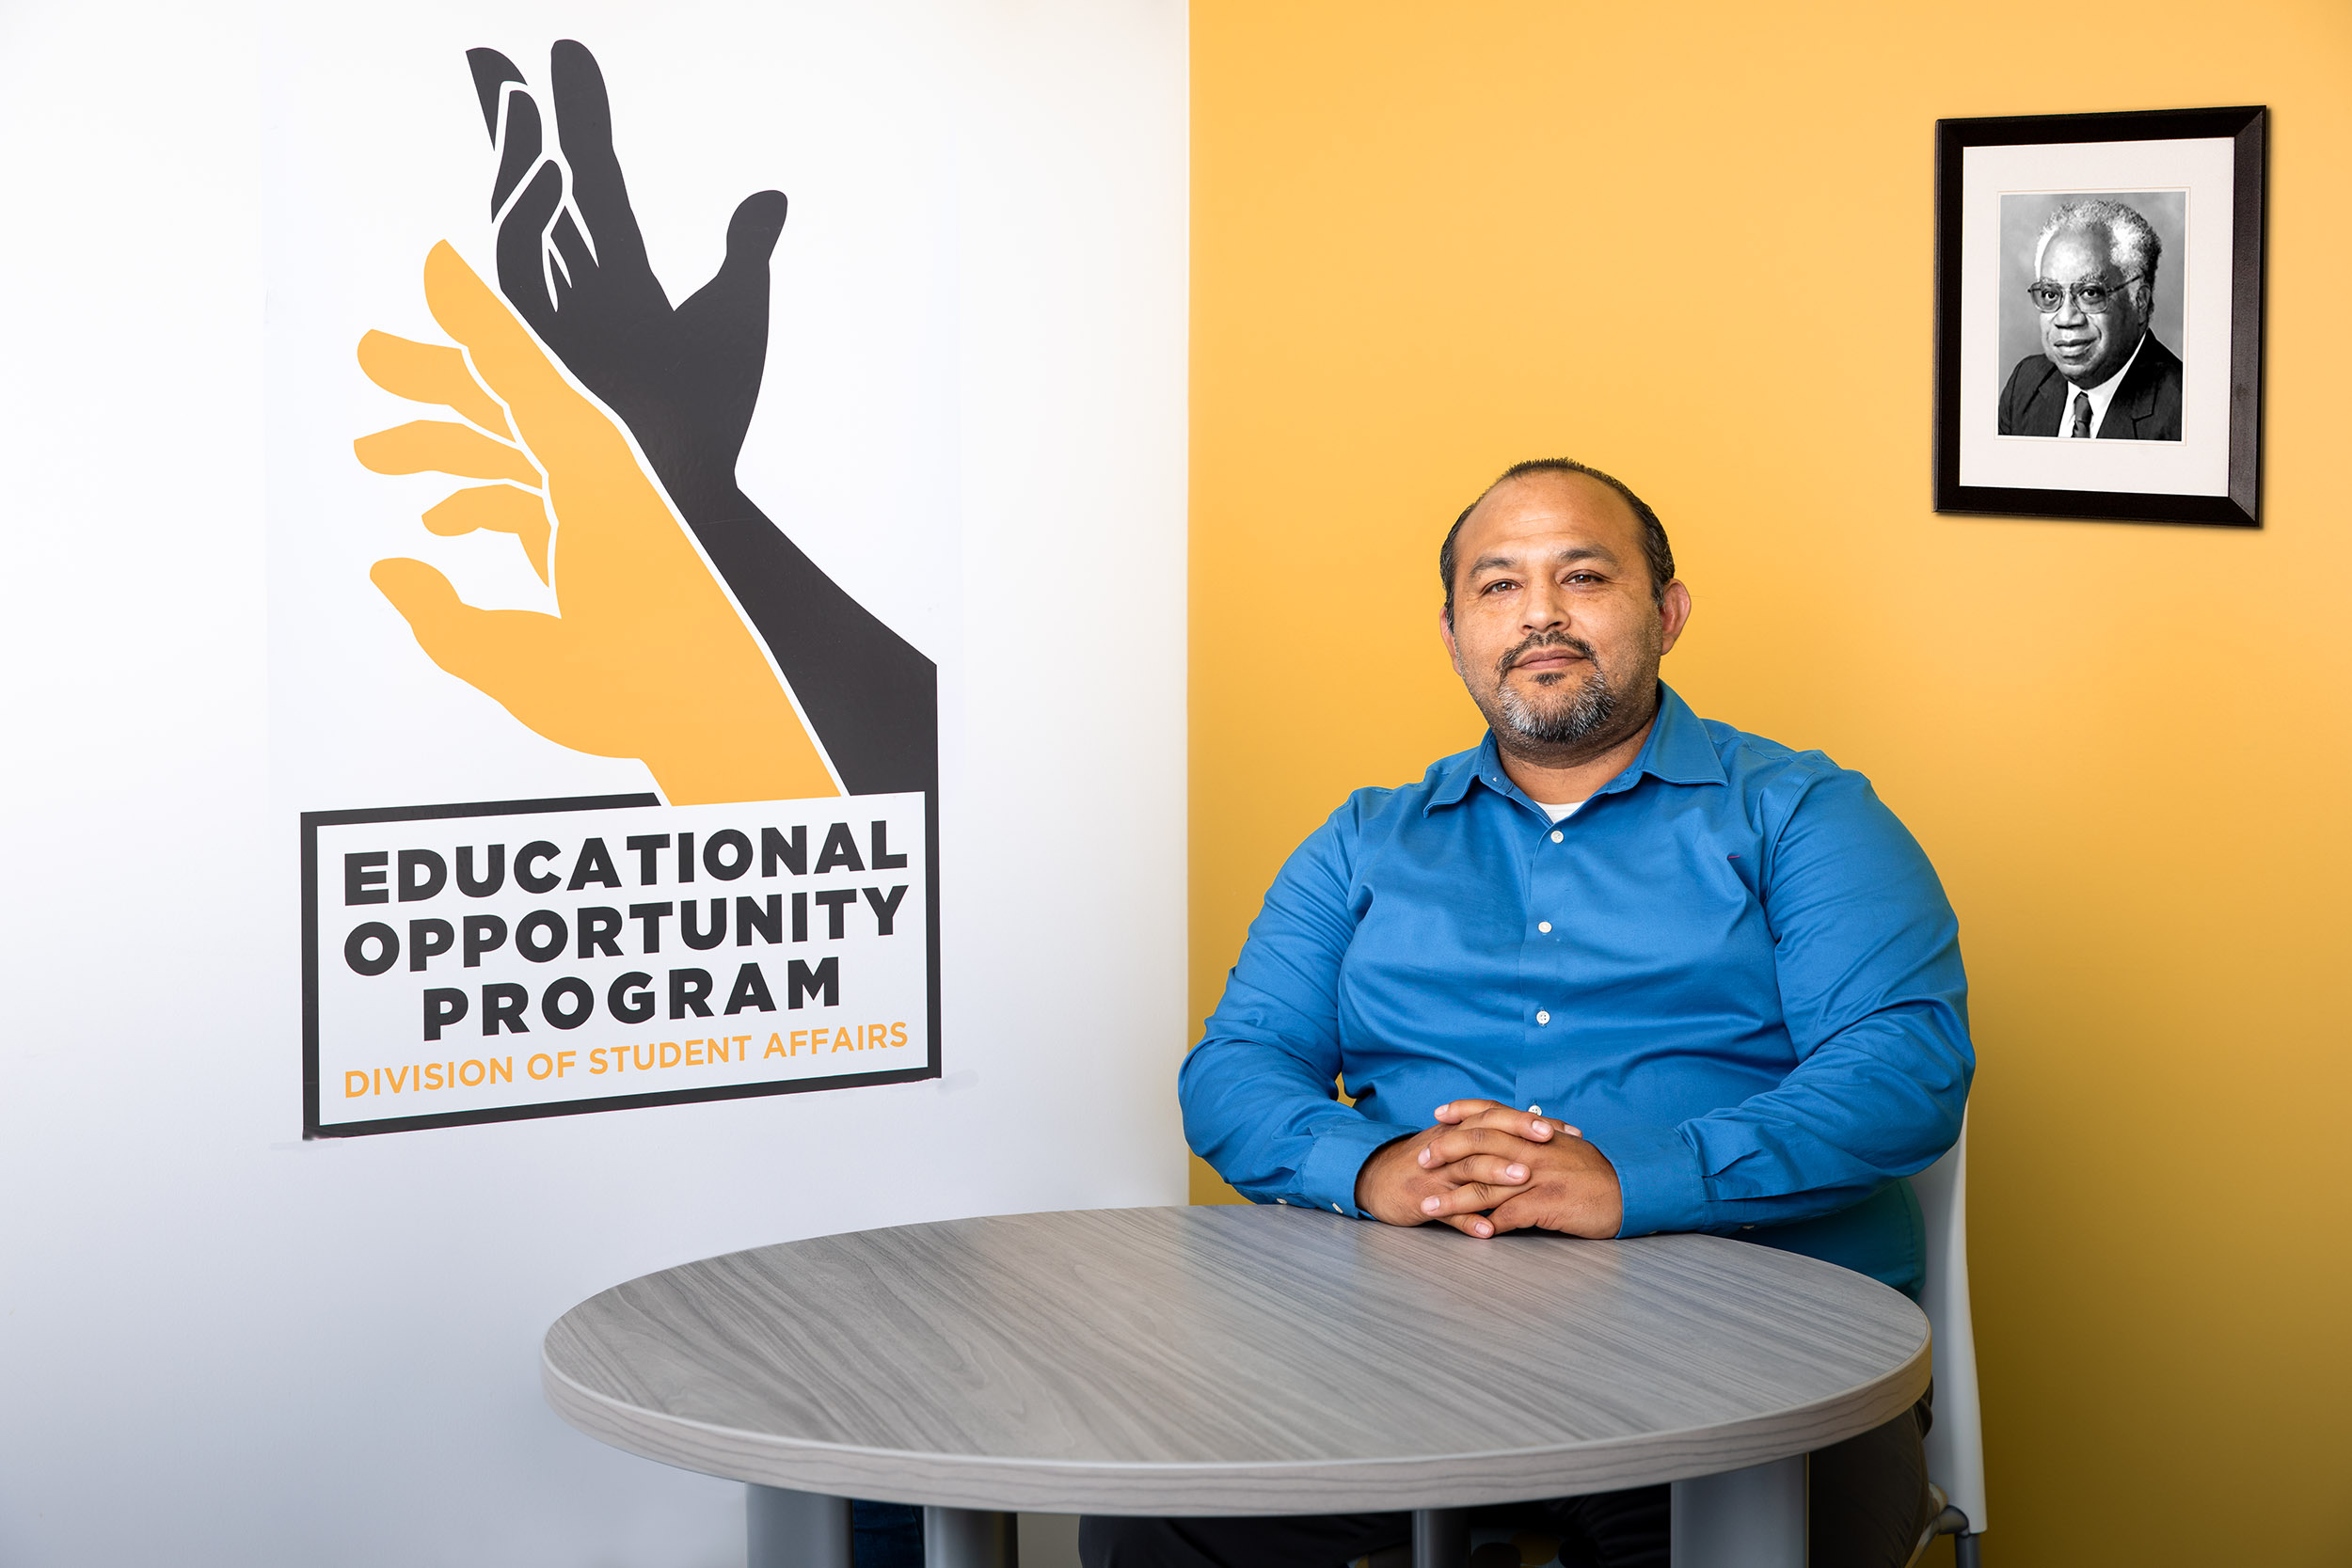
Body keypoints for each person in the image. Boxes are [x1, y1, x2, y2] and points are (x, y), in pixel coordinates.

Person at [1082, 460, 1971, 1568]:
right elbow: (1235, 1067)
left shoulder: (1802, 815)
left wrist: (1633, 1178)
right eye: (1497, 586)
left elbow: (1903, 1068)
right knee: (1157, 1518)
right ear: (1453, 632)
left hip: (1754, 1351)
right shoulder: (1364, 839)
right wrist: (1375, 1167)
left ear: (1668, 610)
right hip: (1403, 1335)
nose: (1539, 612)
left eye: (1583, 575)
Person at [1997, 198, 2184, 440]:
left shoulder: (2186, 411)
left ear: (2139, 302)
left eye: (2090, 293)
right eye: (2050, 294)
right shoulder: (2024, 385)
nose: (2065, 318)